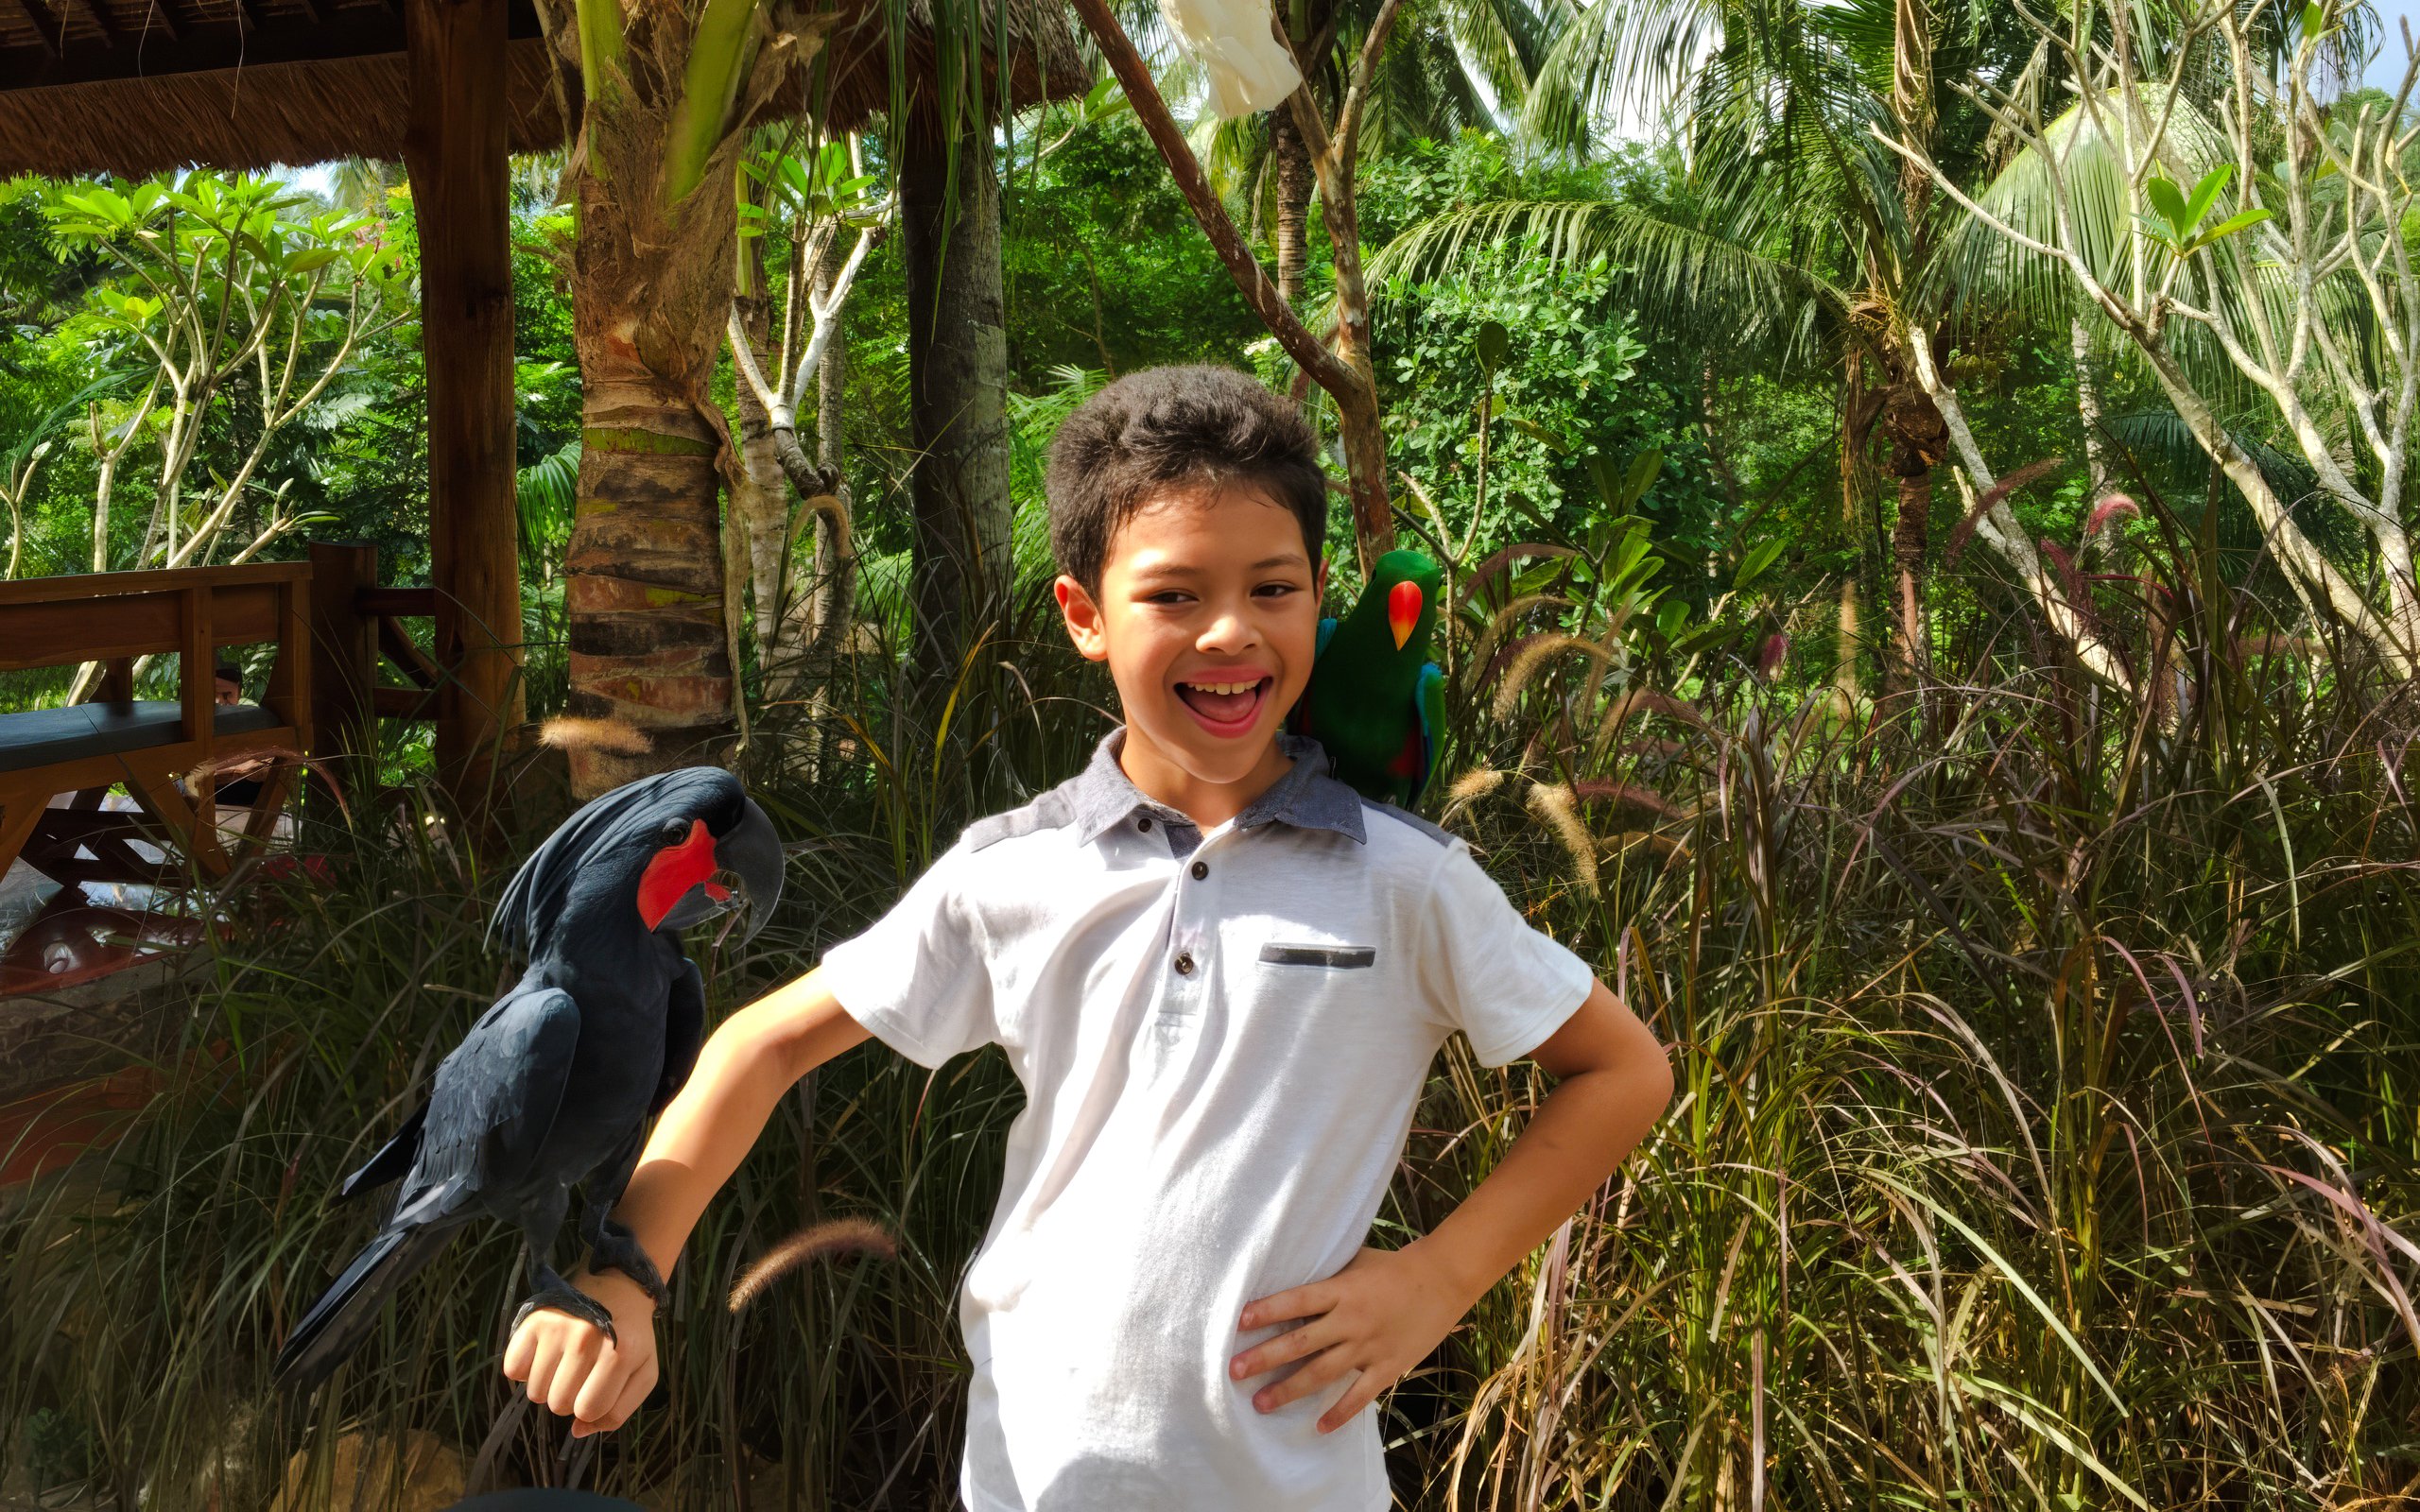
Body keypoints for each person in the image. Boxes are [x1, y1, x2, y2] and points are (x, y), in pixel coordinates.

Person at [502, 366, 1675, 1510]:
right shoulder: (1012, 871)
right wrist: (625, 1273)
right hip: (1030, 1475)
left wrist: (1437, 1279)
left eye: (1273, 589)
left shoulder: (1407, 882)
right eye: (1172, 595)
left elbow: (1623, 1068)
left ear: (1321, 593)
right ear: (1083, 616)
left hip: (1297, 1484)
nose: (1230, 632)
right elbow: (760, 1043)